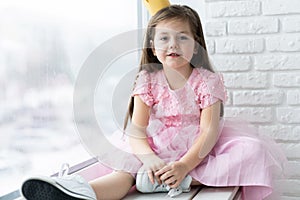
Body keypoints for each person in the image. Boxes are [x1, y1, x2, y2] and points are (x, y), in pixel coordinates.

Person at [20, 4, 286, 200]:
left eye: (183, 37)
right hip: (153, 148)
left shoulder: (206, 80)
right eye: (164, 38)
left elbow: (208, 130)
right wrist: (148, 159)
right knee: (124, 171)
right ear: (152, 44)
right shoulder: (147, 80)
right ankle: (81, 193)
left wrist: (184, 165)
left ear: (196, 45)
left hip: (197, 151)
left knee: (251, 151)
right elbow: (137, 130)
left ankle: (183, 180)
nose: (173, 44)